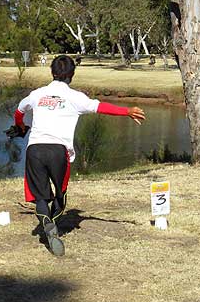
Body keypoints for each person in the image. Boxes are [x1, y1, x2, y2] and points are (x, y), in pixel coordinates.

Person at [13, 54, 145, 257]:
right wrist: (127, 111)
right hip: (59, 151)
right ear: (72, 75)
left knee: (40, 197)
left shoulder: (37, 94)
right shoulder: (76, 97)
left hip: (35, 149)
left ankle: (45, 222)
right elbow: (101, 107)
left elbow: (19, 111)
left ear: (52, 72)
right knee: (60, 194)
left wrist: (21, 127)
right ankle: (53, 225)